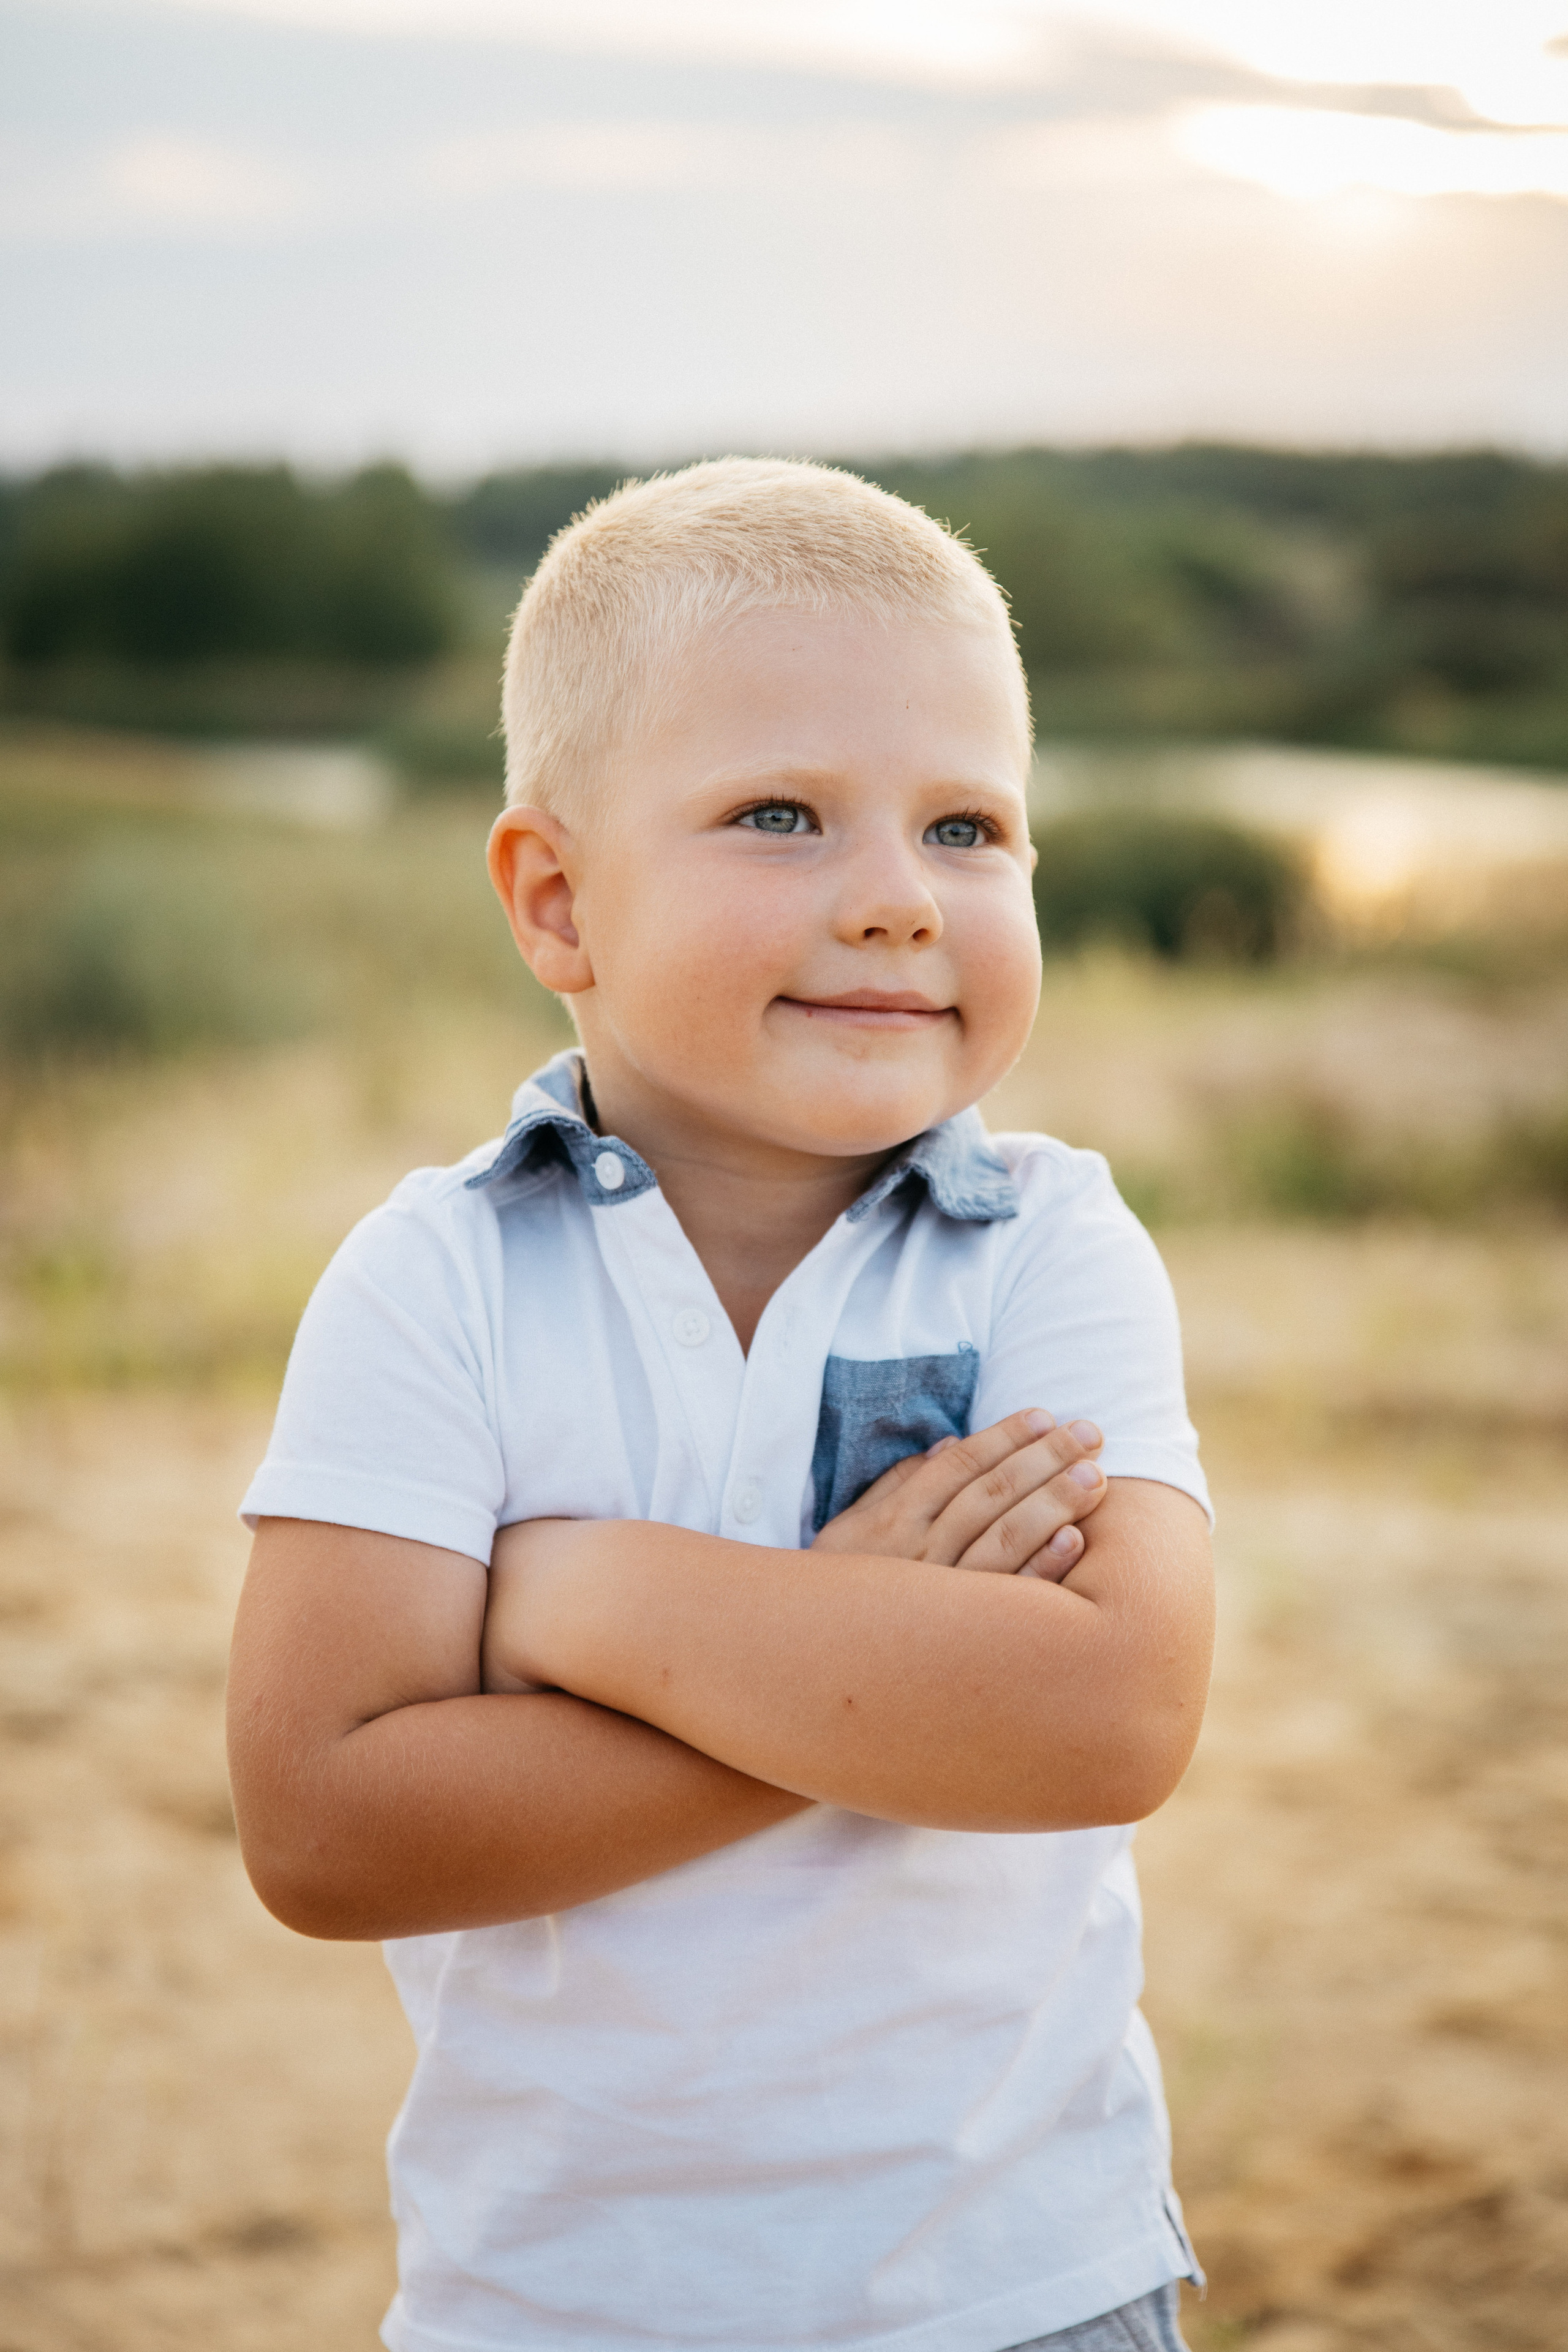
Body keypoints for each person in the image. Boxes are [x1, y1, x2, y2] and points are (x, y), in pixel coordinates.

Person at [227, 458, 1215, 2352]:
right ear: (558, 900)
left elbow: (1107, 1717)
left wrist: (599, 1603)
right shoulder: (438, 1281)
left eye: (967, 829)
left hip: (1023, 2285)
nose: (895, 901)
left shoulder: (1048, 1250)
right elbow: (329, 1825)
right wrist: (880, 1661)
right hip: (565, 2305)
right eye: (781, 815)